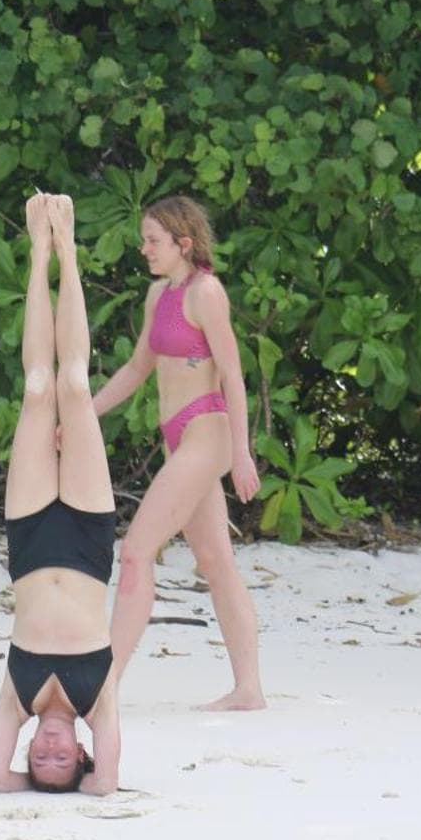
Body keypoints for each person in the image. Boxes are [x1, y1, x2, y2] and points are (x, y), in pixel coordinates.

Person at [92, 194, 266, 711]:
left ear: (183, 243)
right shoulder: (158, 294)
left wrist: (242, 453)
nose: (144, 249)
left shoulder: (206, 292)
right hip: (180, 439)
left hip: (207, 433)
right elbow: (136, 368)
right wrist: (83, 414)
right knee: (216, 563)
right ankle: (249, 690)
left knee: (136, 551)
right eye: (143, 240)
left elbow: (232, 374)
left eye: (153, 240)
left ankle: (104, 685)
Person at [0, 193, 122, 795]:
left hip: (32, 542)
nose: (49, 752)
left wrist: (30, 784)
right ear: (82, 753)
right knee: (75, 385)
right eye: (63, 761)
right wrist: (87, 783)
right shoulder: (99, 699)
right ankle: (69, 246)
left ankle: (40, 250)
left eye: (39, 761)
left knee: (39, 387)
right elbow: (106, 786)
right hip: (89, 543)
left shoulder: (18, 696)